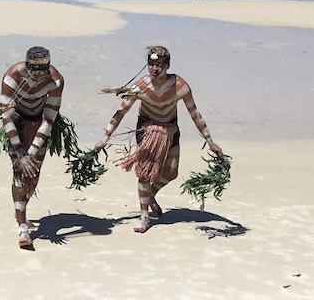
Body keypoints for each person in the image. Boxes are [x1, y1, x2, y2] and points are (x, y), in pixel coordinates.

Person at [94, 46, 223, 233]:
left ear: (167, 65)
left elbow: (195, 113)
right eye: (151, 64)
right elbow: (120, 112)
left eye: (159, 64)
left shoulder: (180, 86)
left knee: (171, 172)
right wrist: (104, 138)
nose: (154, 69)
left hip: (170, 129)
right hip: (147, 129)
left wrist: (210, 141)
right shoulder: (140, 87)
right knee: (144, 173)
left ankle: (151, 195)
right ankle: (144, 217)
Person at [0, 46, 64, 247]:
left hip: (39, 123)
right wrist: (20, 153)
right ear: (26, 65)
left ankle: (21, 211)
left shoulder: (55, 81)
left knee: (33, 174)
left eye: (41, 70)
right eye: (32, 69)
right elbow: (6, 116)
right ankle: (23, 228)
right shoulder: (12, 76)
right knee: (19, 172)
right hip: (16, 123)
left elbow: (50, 118)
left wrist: (32, 152)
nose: (36, 74)